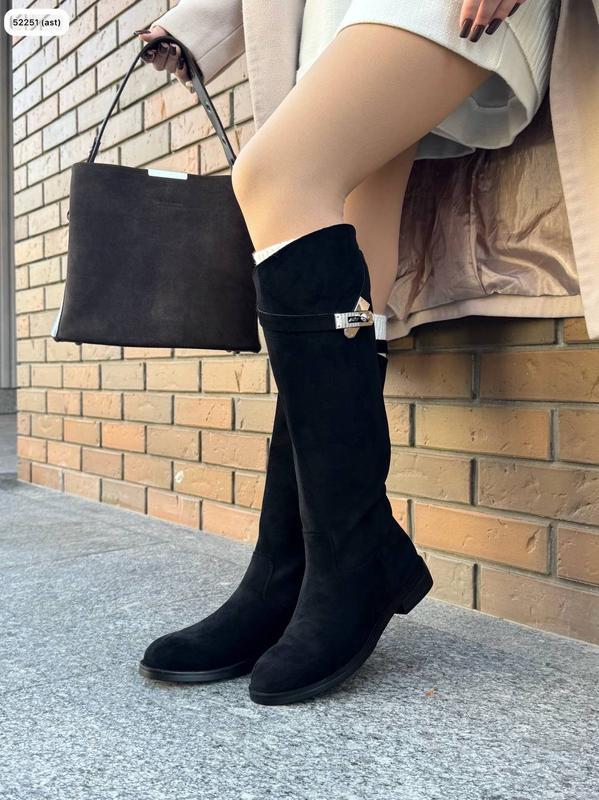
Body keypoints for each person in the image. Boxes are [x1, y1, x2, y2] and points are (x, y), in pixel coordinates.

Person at [135, 0, 559, 706]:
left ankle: (351, 555)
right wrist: (197, 23)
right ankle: (290, 570)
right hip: (338, 12)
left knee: (276, 176)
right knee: (350, 269)